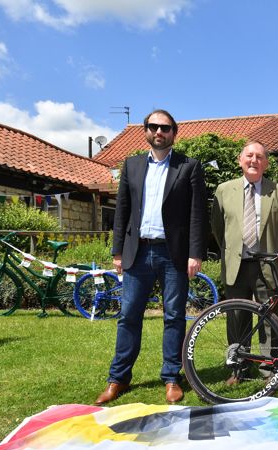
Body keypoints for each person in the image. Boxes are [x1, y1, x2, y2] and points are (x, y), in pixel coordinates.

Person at [95, 109, 208, 405]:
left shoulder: (189, 166)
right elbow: (121, 211)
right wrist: (117, 250)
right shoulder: (131, 166)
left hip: (174, 256)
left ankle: (172, 377)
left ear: (174, 133)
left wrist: (195, 253)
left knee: (174, 317)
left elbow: (198, 215)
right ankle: (118, 378)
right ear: (145, 130)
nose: (159, 132)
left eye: (165, 128)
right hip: (138, 251)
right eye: (153, 127)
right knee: (128, 316)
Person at [210, 140, 278, 383]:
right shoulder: (224, 190)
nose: (254, 160)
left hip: (268, 265)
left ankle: (270, 368)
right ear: (240, 160)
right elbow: (218, 227)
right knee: (237, 318)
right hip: (236, 264)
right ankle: (239, 368)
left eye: (259, 156)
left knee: (270, 319)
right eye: (249, 155)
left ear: (266, 163)